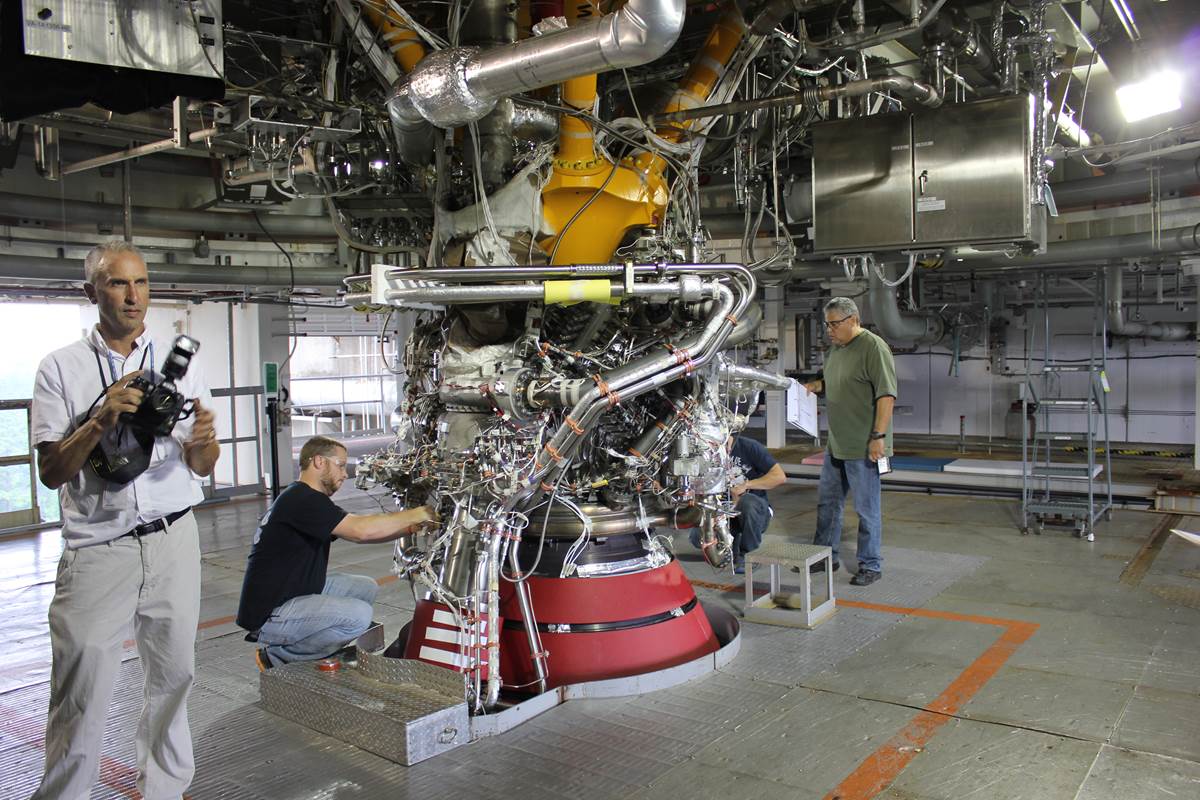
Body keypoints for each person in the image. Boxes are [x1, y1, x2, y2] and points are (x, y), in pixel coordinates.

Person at [30, 241, 219, 800]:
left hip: (173, 537)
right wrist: (101, 417)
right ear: (93, 292)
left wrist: (205, 442)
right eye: (117, 284)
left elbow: (202, 464)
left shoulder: (180, 364)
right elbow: (50, 471)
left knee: (173, 675)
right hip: (98, 549)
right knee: (82, 682)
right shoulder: (60, 368)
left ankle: (165, 788)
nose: (133, 296)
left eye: (140, 283)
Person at [237, 436, 437, 669]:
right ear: (319, 462)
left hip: (293, 593)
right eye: (340, 465)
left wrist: (412, 527)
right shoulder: (302, 500)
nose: (345, 474)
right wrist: (419, 512)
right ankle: (279, 658)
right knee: (358, 616)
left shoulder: (303, 498)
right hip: (271, 613)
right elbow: (360, 530)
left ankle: (311, 644)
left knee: (365, 587)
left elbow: (363, 534)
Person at [805, 297, 897, 587]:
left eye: (834, 324)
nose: (829, 330)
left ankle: (871, 564)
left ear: (853, 320)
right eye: (827, 325)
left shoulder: (873, 347)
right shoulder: (835, 350)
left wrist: (878, 436)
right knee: (828, 504)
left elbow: (886, 395)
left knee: (866, 508)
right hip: (837, 443)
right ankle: (824, 558)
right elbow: (832, 382)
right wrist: (814, 387)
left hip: (864, 444)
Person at [692, 434, 787, 574]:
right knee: (695, 538)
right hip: (722, 511)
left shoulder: (750, 447)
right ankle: (731, 541)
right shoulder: (704, 451)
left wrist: (747, 484)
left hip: (753, 510)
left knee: (747, 503)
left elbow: (779, 476)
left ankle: (749, 555)